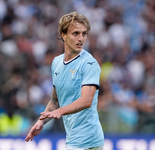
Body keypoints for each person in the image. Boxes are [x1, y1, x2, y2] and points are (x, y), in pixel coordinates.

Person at [25, 11, 104, 150]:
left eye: (84, 34)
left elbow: (86, 100)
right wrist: (41, 122)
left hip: (88, 141)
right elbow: (56, 100)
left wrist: (61, 111)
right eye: (76, 33)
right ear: (63, 35)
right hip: (73, 139)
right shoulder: (56, 63)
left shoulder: (89, 64)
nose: (81, 38)